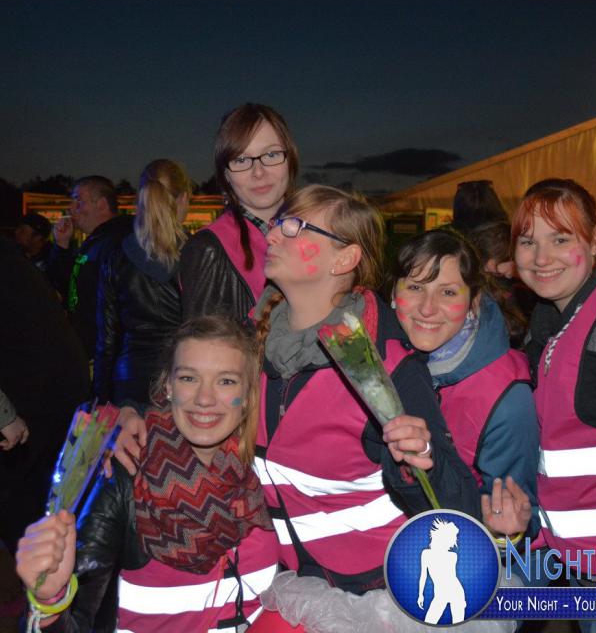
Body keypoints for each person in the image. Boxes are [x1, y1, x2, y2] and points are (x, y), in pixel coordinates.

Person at [115, 185, 480, 632]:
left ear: (344, 259)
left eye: (294, 227)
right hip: (292, 585)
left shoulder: (383, 366)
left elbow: (461, 507)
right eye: (276, 225)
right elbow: (190, 394)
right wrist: (129, 413)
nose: (272, 235)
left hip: (381, 598)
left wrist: (422, 461)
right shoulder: (253, 344)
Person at [16, 315, 278, 632]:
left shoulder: (267, 473)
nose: (204, 399)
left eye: (226, 381)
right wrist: (49, 602)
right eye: (188, 378)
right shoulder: (126, 476)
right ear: (168, 386)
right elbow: (76, 621)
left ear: (248, 394)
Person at [512, 178, 596, 632]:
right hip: (588, 571)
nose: (541, 258)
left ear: (595, 240)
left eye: (561, 239)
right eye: (528, 241)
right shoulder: (552, 327)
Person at [391, 227, 538, 540]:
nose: (427, 308)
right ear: (393, 294)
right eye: (415, 287)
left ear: (473, 301)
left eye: (447, 293)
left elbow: (516, 522)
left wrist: (505, 535)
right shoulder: (379, 361)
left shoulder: (506, 397)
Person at [0, 238, 89, 552]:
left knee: (20, 502)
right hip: (55, 395)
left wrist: (4, 415)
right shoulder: (15, 263)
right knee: (36, 499)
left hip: (30, 401)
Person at [180, 103, 298, 321]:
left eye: (271, 154)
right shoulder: (207, 249)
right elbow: (203, 339)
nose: (259, 172)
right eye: (241, 160)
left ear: (290, 158)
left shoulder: (319, 232)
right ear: (225, 174)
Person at [94, 159, 191, 408]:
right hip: (182, 377)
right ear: (183, 199)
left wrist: (100, 399)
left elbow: (106, 339)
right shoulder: (197, 253)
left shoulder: (115, 254)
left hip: (128, 380)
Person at [48, 176, 133, 359]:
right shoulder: (94, 242)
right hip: (87, 349)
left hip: (104, 354)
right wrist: (62, 246)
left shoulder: (119, 242)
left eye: (79, 201)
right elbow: (70, 287)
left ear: (101, 204)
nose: (71, 208)